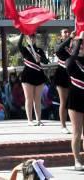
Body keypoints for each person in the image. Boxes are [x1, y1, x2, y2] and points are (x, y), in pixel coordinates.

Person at [18, 34, 49, 126]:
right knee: (29, 98)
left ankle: (39, 120)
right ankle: (30, 120)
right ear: (27, 39)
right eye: (30, 37)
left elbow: (46, 61)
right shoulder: (25, 49)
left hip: (39, 75)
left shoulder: (39, 50)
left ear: (35, 39)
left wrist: (40, 58)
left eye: (33, 37)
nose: (32, 39)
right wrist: (23, 33)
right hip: (27, 76)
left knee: (37, 99)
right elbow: (19, 45)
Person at [66, 31, 84, 170]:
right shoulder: (70, 61)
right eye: (80, 45)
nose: (82, 46)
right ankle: (77, 160)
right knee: (77, 132)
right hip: (75, 99)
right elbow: (71, 61)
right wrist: (79, 40)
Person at [55, 28, 75, 134]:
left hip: (73, 75)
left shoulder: (73, 44)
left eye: (68, 32)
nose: (67, 33)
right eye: (65, 32)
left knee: (73, 101)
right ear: (61, 35)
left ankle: (75, 123)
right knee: (63, 101)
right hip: (61, 75)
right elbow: (59, 50)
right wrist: (70, 38)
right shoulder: (59, 44)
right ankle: (63, 126)